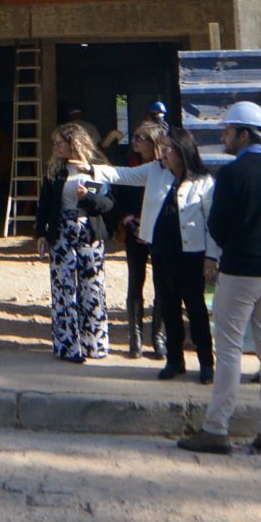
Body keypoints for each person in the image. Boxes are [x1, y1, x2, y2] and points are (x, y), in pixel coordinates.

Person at [178, 101, 261, 457]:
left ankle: (216, 429)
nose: (224, 137)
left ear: (243, 134)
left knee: (229, 350)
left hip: (241, 273)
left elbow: (216, 225)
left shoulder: (233, 174)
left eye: (228, 131)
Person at [103, 123, 216, 382]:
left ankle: (206, 363)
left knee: (196, 309)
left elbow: (212, 224)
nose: (163, 153)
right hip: (162, 253)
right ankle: (175, 361)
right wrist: (92, 169)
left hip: (191, 255)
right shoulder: (156, 171)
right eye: (162, 148)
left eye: (168, 148)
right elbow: (123, 175)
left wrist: (212, 257)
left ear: (182, 150)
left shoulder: (204, 181)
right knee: (169, 307)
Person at [35, 121, 115, 362]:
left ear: (74, 144)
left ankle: (94, 344)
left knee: (92, 289)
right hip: (61, 234)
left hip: (89, 235)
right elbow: (45, 206)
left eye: (60, 143)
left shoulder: (97, 169)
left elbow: (108, 204)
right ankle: (67, 346)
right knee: (63, 290)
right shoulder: (54, 171)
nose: (56, 147)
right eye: (55, 143)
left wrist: (87, 197)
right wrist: (40, 233)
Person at [111, 120, 167, 359]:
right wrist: (129, 222)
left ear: (152, 142)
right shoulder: (128, 165)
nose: (133, 141)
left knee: (162, 285)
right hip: (134, 231)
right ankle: (135, 339)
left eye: (138, 138)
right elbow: (118, 198)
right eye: (134, 137)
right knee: (136, 283)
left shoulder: (165, 168)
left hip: (159, 234)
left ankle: (158, 337)